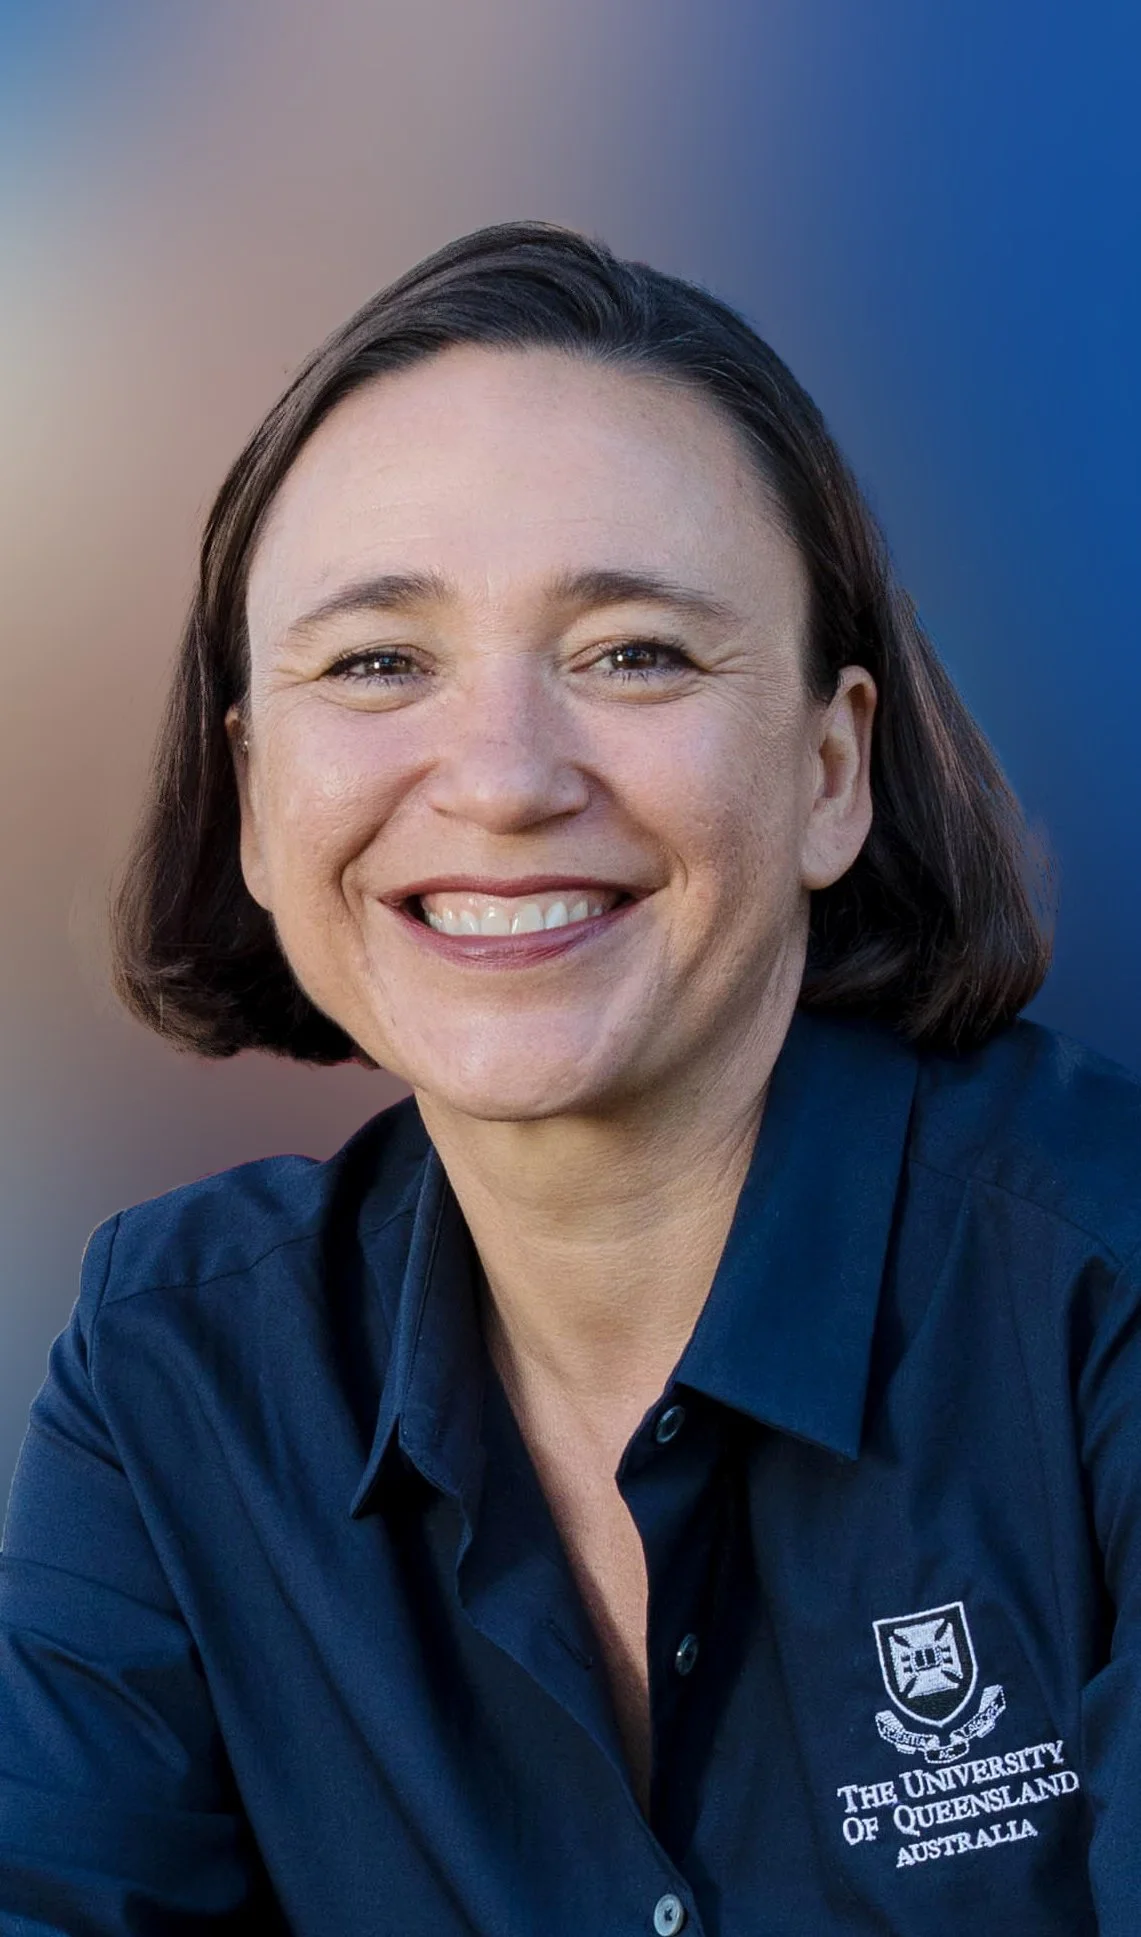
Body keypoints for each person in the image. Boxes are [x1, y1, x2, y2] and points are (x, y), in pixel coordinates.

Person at [0, 221, 1137, 1937]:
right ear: (251, 795)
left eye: (634, 653)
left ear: (834, 772)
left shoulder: (1101, 1293)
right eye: (379, 662)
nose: (506, 779)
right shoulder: (177, 1374)